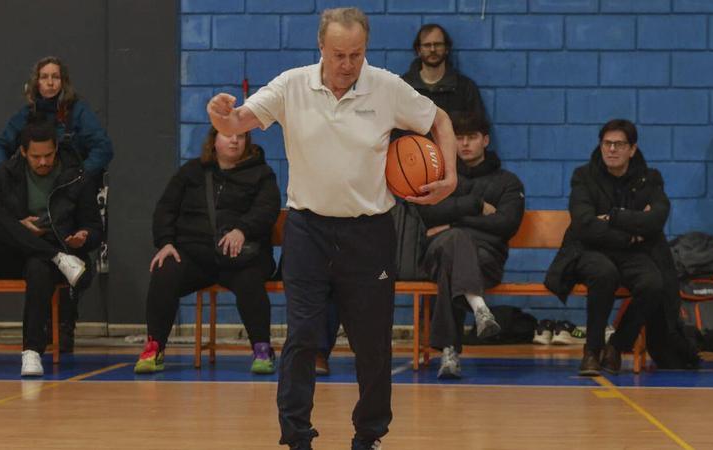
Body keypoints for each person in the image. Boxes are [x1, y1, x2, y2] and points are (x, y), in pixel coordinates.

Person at [205, 7, 457, 450]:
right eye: (338, 54)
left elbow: (440, 120)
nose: (347, 64)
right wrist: (221, 115)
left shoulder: (385, 86)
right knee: (302, 337)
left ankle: (369, 434)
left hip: (370, 233)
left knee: (372, 343)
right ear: (321, 47)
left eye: (356, 54)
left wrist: (450, 175)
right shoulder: (291, 85)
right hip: (307, 230)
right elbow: (238, 121)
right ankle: (296, 435)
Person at [0, 56, 114, 352]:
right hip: (32, 200)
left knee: (75, 253)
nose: (49, 82)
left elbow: (103, 147)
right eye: (43, 77)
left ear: (63, 82)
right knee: (41, 261)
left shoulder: (78, 112)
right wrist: (6, 176)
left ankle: (65, 323)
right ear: (36, 82)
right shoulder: (26, 114)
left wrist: (81, 177)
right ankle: (44, 325)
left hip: (69, 197)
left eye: (55, 77)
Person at [133, 127, 280, 375]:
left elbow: (267, 209)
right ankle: (154, 346)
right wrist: (166, 242)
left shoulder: (262, 174)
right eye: (228, 134)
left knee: (250, 281)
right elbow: (165, 209)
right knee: (164, 270)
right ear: (214, 140)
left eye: (241, 135)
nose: (234, 139)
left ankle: (262, 348)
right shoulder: (191, 172)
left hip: (240, 257)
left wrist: (242, 229)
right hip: (195, 256)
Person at [545, 119, 673, 376]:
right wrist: (630, 235)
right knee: (604, 273)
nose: (612, 149)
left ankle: (616, 346)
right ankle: (592, 351)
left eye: (619, 144)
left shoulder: (650, 178)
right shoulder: (584, 176)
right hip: (588, 250)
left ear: (632, 149)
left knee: (653, 283)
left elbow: (656, 220)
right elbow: (583, 225)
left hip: (631, 254)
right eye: (607, 143)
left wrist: (614, 216)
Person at [0, 120, 101, 377]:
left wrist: (84, 236)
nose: (43, 162)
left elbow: (95, 228)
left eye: (48, 156)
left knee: (38, 266)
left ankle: (32, 352)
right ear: (23, 153)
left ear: (56, 150)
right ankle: (55, 257)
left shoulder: (75, 176)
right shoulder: (6, 173)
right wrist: (18, 225)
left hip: (56, 250)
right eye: (36, 157)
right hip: (10, 255)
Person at [415, 112, 525, 380]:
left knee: (452, 260)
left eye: (471, 138)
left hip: (486, 259)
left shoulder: (507, 182)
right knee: (454, 247)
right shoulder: (440, 178)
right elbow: (427, 215)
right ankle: (479, 308)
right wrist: (475, 208)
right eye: (458, 138)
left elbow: (506, 224)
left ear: (485, 140)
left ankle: (450, 351)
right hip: (435, 254)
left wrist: (453, 224)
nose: (464, 144)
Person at [401, 24, 486, 118]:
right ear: (418, 50)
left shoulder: (465, 88)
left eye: (438, 44)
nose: (432, 49)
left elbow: (479, 127)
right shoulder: (403, 86)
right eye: (427, 45)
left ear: (446, 49)